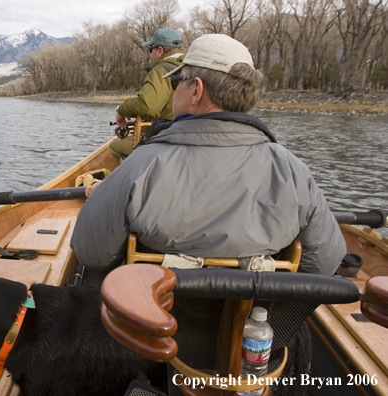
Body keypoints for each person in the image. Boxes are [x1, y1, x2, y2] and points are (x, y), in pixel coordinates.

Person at [72, 34, 346, 276]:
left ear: (196, 90)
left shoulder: (142, 163)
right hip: (253, 324)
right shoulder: (292, 170)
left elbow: (91, 254)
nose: (175, 89)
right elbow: (324, 263)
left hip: (154, 322)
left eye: (178, 81)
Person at [110, 28, 185, 165]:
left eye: (151, 50)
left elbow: (147, 106)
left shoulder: (161, 70)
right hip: (182, 137)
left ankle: (124, 184)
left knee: (116, 147)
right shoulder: (191, 67)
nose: (150, 55)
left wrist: (121, 109)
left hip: (164, 140)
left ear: (160, 51)